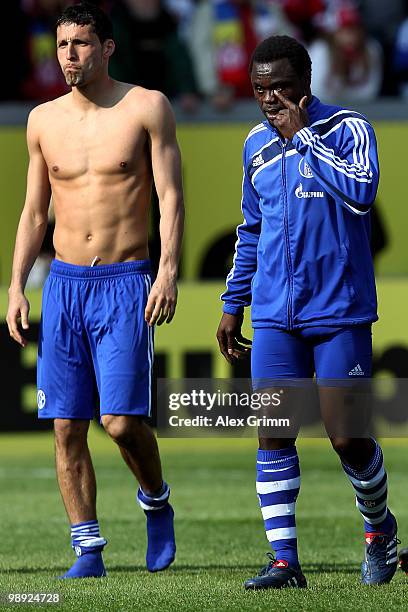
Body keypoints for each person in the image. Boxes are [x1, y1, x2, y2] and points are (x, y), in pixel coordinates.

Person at [6, 2, 184, 579]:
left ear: (108, 47)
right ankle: (88, 548)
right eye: (62, 45)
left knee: (122, 422)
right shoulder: (42, 120)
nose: (69, 55)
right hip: (64, 284)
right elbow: (35, 211)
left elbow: (170, 197)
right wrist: (15, 286)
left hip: (125, 281)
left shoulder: (146, 107)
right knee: (65, 423)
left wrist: (168, 269)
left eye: (81, 43)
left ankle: (155, 499)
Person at [216, 35, 398, 589]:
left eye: (282, 86)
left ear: (307, 82)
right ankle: (284, 561)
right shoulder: (254, 146)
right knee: (273, 430)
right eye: (260, 88)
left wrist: (306, 143)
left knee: (347, 436)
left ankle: (380, 531)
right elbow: (250, 229)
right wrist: (232, 305)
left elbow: (362, 193)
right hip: (274, 314)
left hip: (339, 311)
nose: (270, 98)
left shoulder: (349, 129)